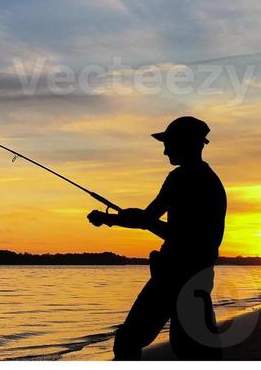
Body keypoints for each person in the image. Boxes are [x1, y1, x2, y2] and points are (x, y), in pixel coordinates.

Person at [87, 116, 226, 360]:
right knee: (195, 350)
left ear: (188, 144)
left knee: (128, 342)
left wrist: (109, 219)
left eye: (169, 143)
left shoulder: (181, 178)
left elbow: (151, 219)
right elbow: (178, 233)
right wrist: (137, 220)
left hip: (174, 279)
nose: (165, 151)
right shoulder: (210, 181)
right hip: (197, 277)